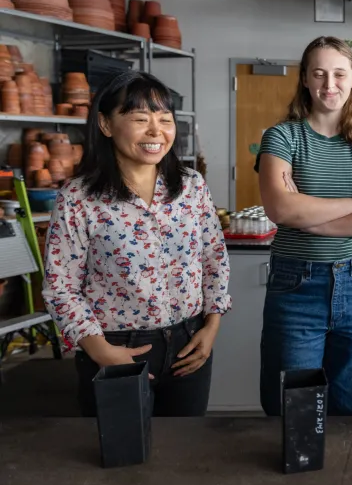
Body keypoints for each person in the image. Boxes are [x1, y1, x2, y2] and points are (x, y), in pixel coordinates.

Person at [42, 71, 231, 417]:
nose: (156, 131)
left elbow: (213, 257)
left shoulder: (191, 186)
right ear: (105, 124)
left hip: (190, 342)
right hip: (113, 345)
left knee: (184, 455)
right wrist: (100, 350)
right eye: (140, 119)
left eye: (165, 119)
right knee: (121, 458)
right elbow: (60, 287)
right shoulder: (78, 197)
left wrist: (211, 326)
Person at [256, 35, 352, 417]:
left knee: (349, 405)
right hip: (296, 285)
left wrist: (315, 222)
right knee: (292, 406)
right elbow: (281, 209)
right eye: (319, 74)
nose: (329, 85)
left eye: (338, 74)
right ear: (304, 79)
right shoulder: (282, 137)